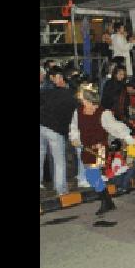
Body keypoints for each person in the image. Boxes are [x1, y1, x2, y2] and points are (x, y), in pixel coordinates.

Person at [68, 84, 135, 216]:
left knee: (93, 174)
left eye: (82, 99)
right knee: (91, 176)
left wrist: (130, 140)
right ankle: (107, 200)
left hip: (100, 148)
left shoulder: (103, 113)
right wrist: (75, 138)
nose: (81, 101)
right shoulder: (78, 111)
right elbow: (74, 127)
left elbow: (116, 128)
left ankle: (106, 201)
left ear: (89, 99)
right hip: (86, 148)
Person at [40, 66, 78, 196]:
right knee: (59, 161)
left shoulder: (46, 92)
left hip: (41, 126)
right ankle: (61, 189)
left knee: (40, 157)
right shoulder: (70, 95)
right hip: (55, 130)